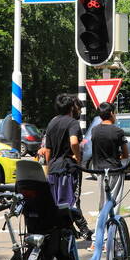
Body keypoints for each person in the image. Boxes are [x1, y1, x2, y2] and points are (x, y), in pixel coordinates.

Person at [39, 93, 86, 228]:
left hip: (53, 169)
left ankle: (57, 232)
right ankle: (69, 231)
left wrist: (49, 166)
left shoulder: (52, 122)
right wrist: (77, 157)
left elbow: (48, 150)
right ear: (71, 108)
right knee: (70, 204)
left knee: (55, 204)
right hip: (67, 169)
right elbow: (74, 142)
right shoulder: (72, 123)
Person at [89, 101, 129, 247]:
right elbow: (125, 154)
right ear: (112, 113)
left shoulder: (94, 130)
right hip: (115, 171)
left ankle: (96, 240)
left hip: (99, 171)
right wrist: (117, 156)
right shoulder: (118, 131)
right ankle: (109, 241)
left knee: (102, 205)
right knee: (114, 205)